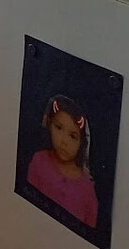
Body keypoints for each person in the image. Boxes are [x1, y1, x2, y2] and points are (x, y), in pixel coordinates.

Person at [27, 95, 99, 227]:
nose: (64, 141)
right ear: (49, 124)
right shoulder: (39, 161)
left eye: (73, 136)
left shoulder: (87, 189)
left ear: (82, 143)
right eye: (59, 127)